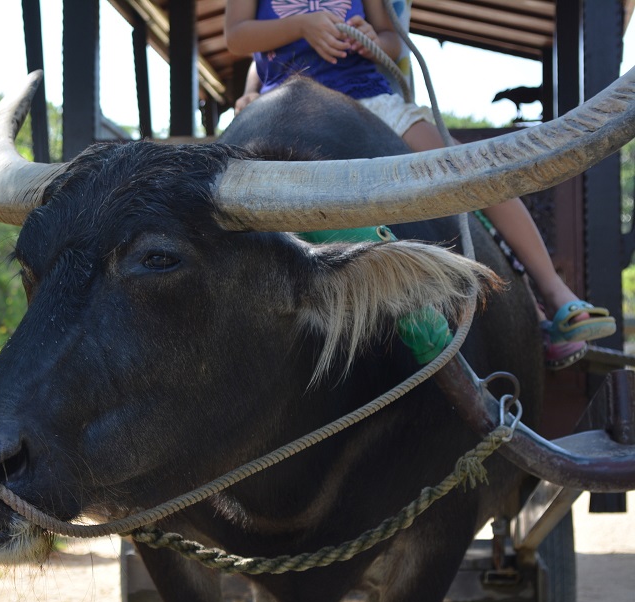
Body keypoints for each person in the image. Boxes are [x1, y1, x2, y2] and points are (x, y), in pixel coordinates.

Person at [225, 0, 616, 369]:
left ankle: (556, 293)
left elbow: (391, 39)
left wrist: (375, 40)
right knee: (208, 196)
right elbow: (236, 35)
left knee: (474, 171)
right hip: (286, 113)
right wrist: (299, 27)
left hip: (369, 101)